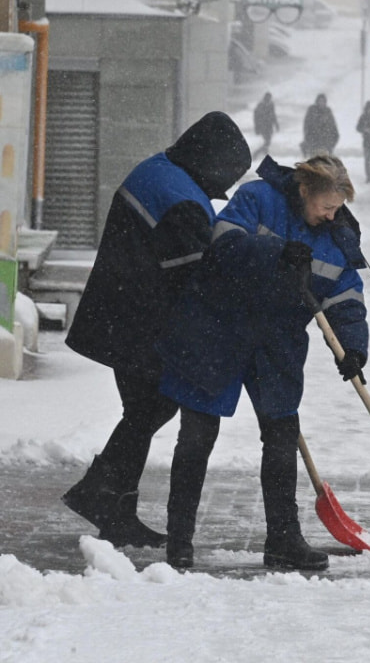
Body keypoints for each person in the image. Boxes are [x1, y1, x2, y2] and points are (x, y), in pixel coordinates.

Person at [154, 153, 370, 571]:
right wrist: (275, 252)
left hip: (278, 342)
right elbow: (223, 245)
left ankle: (283, 541)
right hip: (219, 328)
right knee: (198, 434)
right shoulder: (257, 198)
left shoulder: (337, 236)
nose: (331, 215)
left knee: (282, 435)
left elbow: (346, 296)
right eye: (326, 206)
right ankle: (179, 541)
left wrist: (354, 348)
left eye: (337, 208)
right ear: (304, 190)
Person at [62, 112, 251, 548]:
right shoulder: (180, 200)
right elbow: (196, 276)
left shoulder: (160, 169)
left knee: (146, 409)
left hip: (119, 313)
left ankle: (109, 501)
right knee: (151, 407)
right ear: (212, 161)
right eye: (224, 178)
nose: (221, 191)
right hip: (134, 323)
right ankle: (103, 497)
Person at [252, 92, 279, 157]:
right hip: (263, 126)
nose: (269, 99)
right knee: (267, 142)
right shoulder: (260, 105)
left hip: (269, 126)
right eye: (268, 98)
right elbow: (256, 117)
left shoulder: (271, 105)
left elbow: (273, 115)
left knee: (267, 142)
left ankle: (264, 155)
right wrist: (257, 127)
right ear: (265, 98)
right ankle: (256, 154)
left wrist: (276, 124)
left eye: (270, 98)